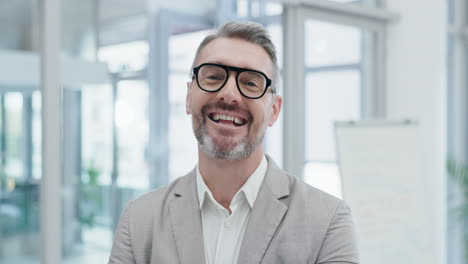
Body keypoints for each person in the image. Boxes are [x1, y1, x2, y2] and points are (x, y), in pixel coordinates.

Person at [108, 21, 359, 264]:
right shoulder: (139, 220)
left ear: (274, 110)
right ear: (188, 96)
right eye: (214, 77)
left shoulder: (328, 222)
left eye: (250, 82)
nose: (229, 94)